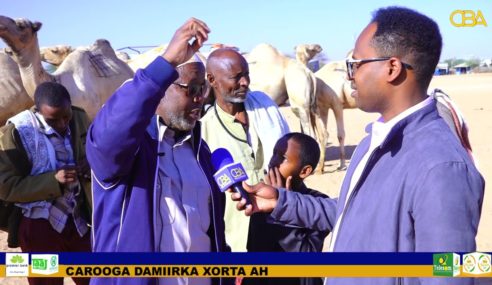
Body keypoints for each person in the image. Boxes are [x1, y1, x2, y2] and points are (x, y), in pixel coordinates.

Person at [232, 6, 484, 285]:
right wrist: (280, 202)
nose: (349, 75)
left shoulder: (441, 167)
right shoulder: (373, 143)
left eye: (356, 64)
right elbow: (349, 213)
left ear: (392, 68)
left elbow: (447, 274)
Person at [86, 18, 231, 285]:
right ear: (159, 91)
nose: (201, 98)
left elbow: (210, 234)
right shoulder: (128, 152)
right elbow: (113, 130)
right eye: (192, 89)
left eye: (204, 89)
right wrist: (165, 64)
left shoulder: (200, 151)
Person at [0, 81, 92, 285]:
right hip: (39, 227)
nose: (62, 125)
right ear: (39, 111)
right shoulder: (16, 131)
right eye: (53, 120)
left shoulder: (80, 118)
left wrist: (91, 163)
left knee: (96, 279)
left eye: (65, 117)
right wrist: (52, 181)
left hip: (78, 221)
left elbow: (95, 150)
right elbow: (6, 187)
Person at [201, 48, 290, 252]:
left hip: (284, 224)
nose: (245, 83)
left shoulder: (265, 106)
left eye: (247, 75)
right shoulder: (204, 132)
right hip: (239, 240)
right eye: (236, 77)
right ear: (212, 80)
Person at [246, 132, 329, 285]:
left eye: (282, 158)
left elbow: (307, 257)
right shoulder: (261, 199)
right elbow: (253, 248)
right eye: (273, 154)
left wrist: (282, 209)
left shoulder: (317, 203)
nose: (273, 162)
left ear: (304, 171)